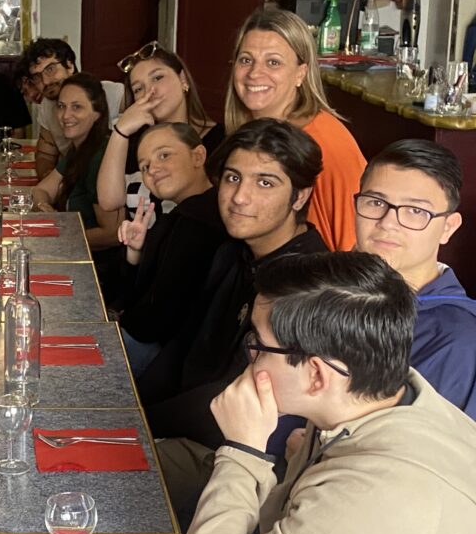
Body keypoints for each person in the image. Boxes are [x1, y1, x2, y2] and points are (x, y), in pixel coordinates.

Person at [173, 251, 476, 534]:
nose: (249, 358)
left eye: (258, 345)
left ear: (316, 375)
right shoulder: (377, 400)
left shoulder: (381, 498)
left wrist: (242, 453)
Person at [140, 119, 328, 508]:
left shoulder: (306, 284)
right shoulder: (233, 251)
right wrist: (130, 407)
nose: (240, 197)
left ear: (299, 197)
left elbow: (232, 398)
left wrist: (140, 423)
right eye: (232, 178)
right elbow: (183, 344)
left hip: (237, 454)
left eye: (265, 183)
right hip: (185, 424)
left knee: (92, 472)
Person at [353, 139, 475, 419]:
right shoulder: (326, 290)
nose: (387, 223)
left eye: (416, 211)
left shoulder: (460, 341)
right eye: (376, 202)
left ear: (448, 228)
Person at [225, 8, 366, 251]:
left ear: (301, 73)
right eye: (246, 60)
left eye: (273, 62)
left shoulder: (327, 143)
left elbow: (354, 244)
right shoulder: (247, 130)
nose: (255, 73)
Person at [116, 123, 228, 376]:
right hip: (158, 341)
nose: (153, 169)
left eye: (164, 155)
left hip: (172, 359)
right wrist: (136, 252)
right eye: (144, 167)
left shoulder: (200, 222)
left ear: (198, 156)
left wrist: (120, 321)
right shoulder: (181, 216)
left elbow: (159, 318)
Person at [96, 41, 224, 217]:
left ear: (183, 79)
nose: (150, 91)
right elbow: (109, 201)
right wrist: (120, 131)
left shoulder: (222, 140)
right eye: (138, 89)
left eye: (157, 78)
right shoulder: (132, 143)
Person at [31, 73, 124, 301]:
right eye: (61, 106)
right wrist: (46, 210)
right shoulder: (79, 149)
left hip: (99, 277)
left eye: (77, 107)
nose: (65, 115)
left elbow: (113, 234)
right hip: (77, 259)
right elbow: (41, 190)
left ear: (98, 113)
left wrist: (62, 236)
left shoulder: (101, 156)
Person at [26, 38, 126, 178]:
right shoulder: (47, 105)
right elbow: (45, 155)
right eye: (37, 77)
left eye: (50, 69)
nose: (45, 81)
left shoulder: (110, 93)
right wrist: (53, 183)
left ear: (69, 65)